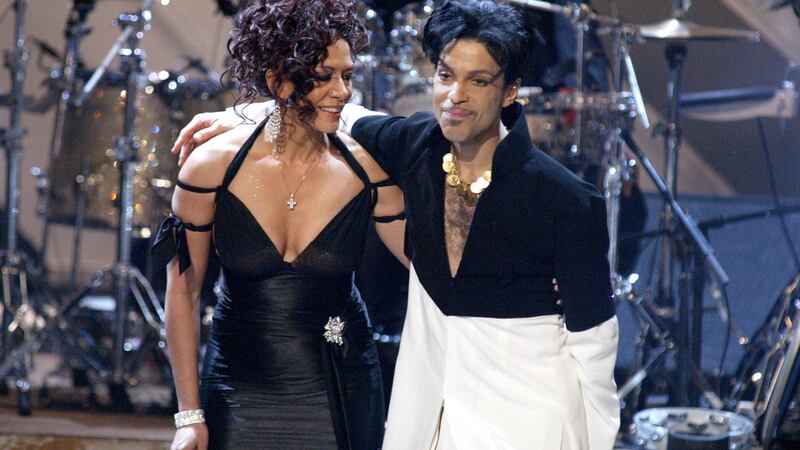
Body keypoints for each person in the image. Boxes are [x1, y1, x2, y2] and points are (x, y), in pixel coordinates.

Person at [173, 1, 620, 448]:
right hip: (430, 411)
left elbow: (596, 344)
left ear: (509, 92)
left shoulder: (567, 200)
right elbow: (340, 114)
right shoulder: (417, 146)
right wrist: (248, 114)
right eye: (445, 75)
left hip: (530, 413)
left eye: (479, 80)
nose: (456, 95)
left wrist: (595, 438)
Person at [153, 1, 407, 449]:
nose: (343, 92)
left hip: (341, 387)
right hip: (238, 389)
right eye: (324, 76)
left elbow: (427, 264)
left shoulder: (366, 167)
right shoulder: (211, 166)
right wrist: (188, 415)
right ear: (277, 81)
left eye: (347, 76)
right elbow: (184, 292)